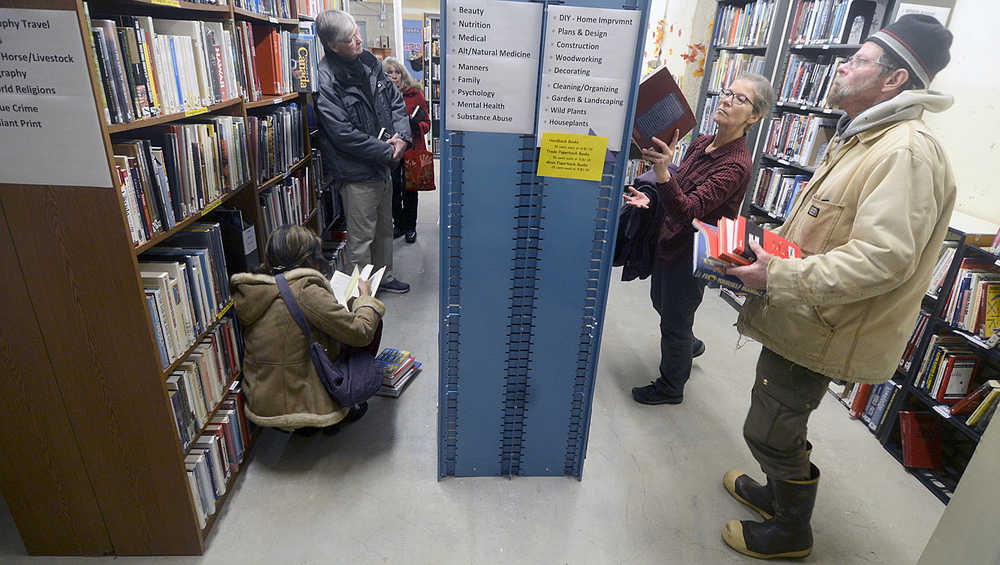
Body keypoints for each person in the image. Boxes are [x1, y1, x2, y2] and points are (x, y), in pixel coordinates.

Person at [722, 15, 955, 560]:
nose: (843, 65)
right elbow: (824, 222)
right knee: (775, 411)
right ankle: (777, 496)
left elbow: (882, 260)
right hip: (809, 310)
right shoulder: (867, 138)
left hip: (826, 322)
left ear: (895, 80)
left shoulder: (904, 151)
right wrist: (761, 245)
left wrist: (775, 274)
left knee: (773, 425)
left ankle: (790, 531)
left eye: (859, 60)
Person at [624, 73, 775, 406]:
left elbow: (689, 209)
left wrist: (663, 173)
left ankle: (671, 385)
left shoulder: (737, 165)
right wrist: (653, 198)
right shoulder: (700, 142)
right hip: (669, 241)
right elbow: (682, 190)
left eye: (740, 99)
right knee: (662, 304)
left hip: (692, 255)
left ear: (753, 117)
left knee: (673, 322)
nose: (726, 100)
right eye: (727, 92)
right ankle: (688, 341)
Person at [231, 225, 385, 435]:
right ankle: (338, 409)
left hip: (263, 399)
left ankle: (304, 426)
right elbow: (361, 332)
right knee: (370, 323)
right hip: (306, 402)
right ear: (307, 258)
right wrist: (365, 299)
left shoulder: (252, 291)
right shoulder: (305, 291)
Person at [315, 9, 411, 294]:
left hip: (384, 166)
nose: (359, 40)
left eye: (357, 32)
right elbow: (342, 134)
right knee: (361, 239)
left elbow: (395, 101)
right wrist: (387, 151)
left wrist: (403, 138)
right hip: (358, 174)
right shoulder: (326, 80)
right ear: (332, 45)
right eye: (351, 38)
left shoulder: (369, 61)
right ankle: (362, 294)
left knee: (384, 228)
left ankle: (386, 277)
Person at [383, 57, 431, 244]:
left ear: (403, 74)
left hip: (412, 149)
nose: (394, 76)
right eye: (389, 73)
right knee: (393, 189)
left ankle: (410, 227)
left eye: (397, 72)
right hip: (390, 149)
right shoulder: (380, 96)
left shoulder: (415, 93)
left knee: (410, 189)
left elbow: (426, 124)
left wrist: (415, 124)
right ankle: (400, 225)